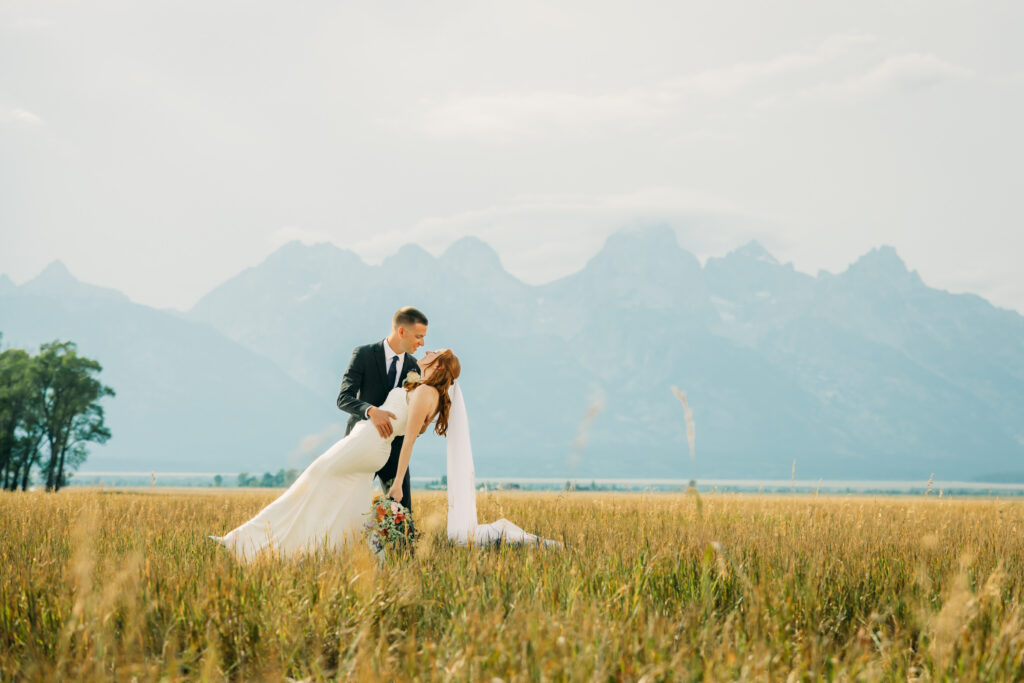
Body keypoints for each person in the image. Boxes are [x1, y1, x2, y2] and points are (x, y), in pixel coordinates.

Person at [212, 348, 457, 560]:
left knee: (312, 480)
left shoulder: (426, 393)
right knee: (349, 502)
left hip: (369, 442)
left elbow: (409, 442)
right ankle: (348, 554)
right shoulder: (428, 392)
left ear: (439, 365)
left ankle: (243, 541)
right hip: (373, 445)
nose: (426, 352)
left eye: (433, 353)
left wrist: (398, 484)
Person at [336, 307, 427, 512]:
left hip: (395, 452)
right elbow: (343, 398)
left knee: (403, 516)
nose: (422, 343)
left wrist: (421, 424)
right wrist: (371, 411)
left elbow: (412, 417)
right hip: (361, 444)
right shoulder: (364, 354)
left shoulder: (416, 368)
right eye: (419, 336)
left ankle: (398, 546)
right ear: (402, 331)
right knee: (347, 508)